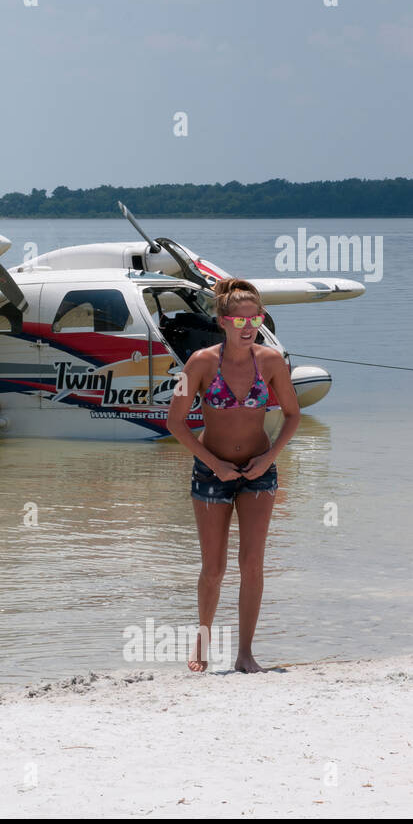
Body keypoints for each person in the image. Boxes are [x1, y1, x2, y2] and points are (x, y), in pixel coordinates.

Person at [167, 278, 300, 673]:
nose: (248, 326)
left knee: (252, 564)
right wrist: (215, 464)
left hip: (259, 470)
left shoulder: (272, 361)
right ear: (222, 321)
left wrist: (269, 457)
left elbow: (292, 415)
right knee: (214, 568)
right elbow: (176, 422)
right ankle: (202, 646)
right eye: (239, 319)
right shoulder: (201, 362)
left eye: (255, 318)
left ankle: (245, 654)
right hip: (212, 472)